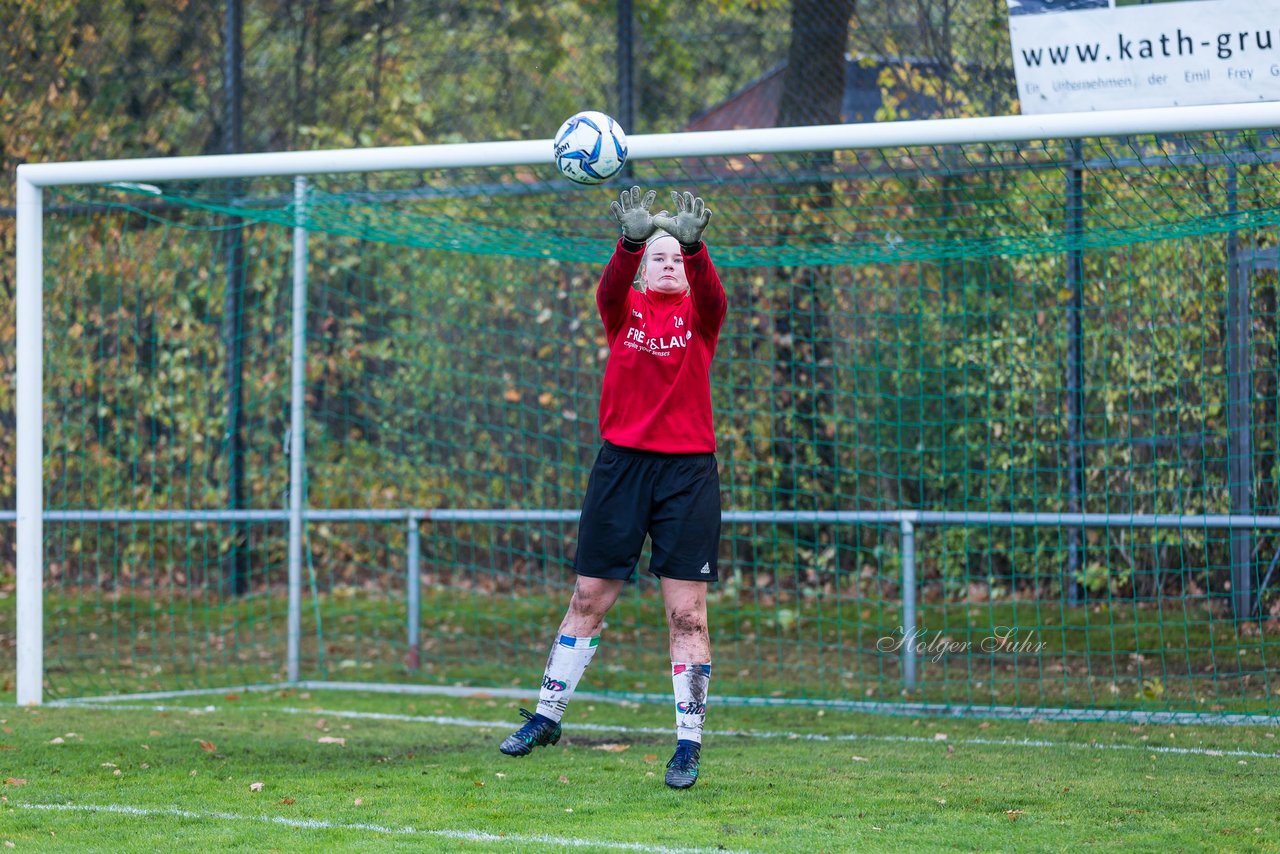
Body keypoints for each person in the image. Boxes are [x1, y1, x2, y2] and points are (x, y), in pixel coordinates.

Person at [499, 186, 726, 790]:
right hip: (621, 469)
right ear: (642, 273)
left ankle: (687, 746)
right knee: (588, 600)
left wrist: (694, 247)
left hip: (688, 476)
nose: (670, 263)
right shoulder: (622, 311)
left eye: (676, 257)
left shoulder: (701, 318)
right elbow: (607, 286)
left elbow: (710, 289)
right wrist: (629, 243)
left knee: (687, 614)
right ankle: (546, 718)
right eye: (660, 258)